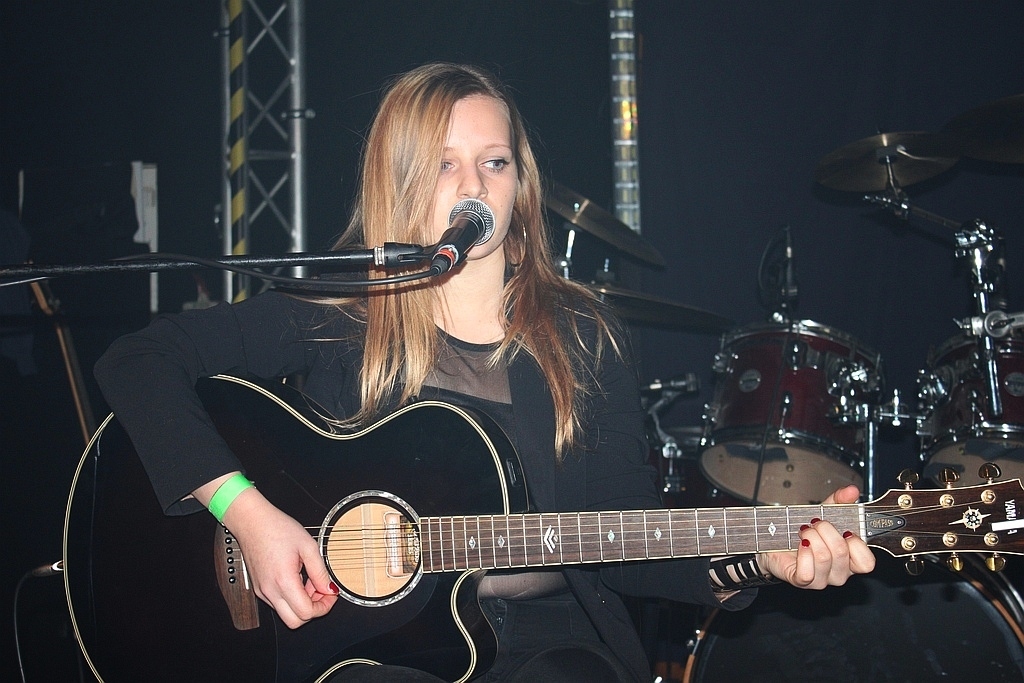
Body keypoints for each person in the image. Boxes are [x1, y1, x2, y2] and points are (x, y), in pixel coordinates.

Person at [94, 62, 874, 682]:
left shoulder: (582, 336)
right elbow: (138, 360)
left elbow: (627, 533)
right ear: (399, 177)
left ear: (519, 184)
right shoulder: (337, 313)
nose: (475, 186)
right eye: (445, 165)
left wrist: (756, 558)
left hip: (550, 641)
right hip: (366, 645)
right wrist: (247, 513)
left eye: (494, 162)